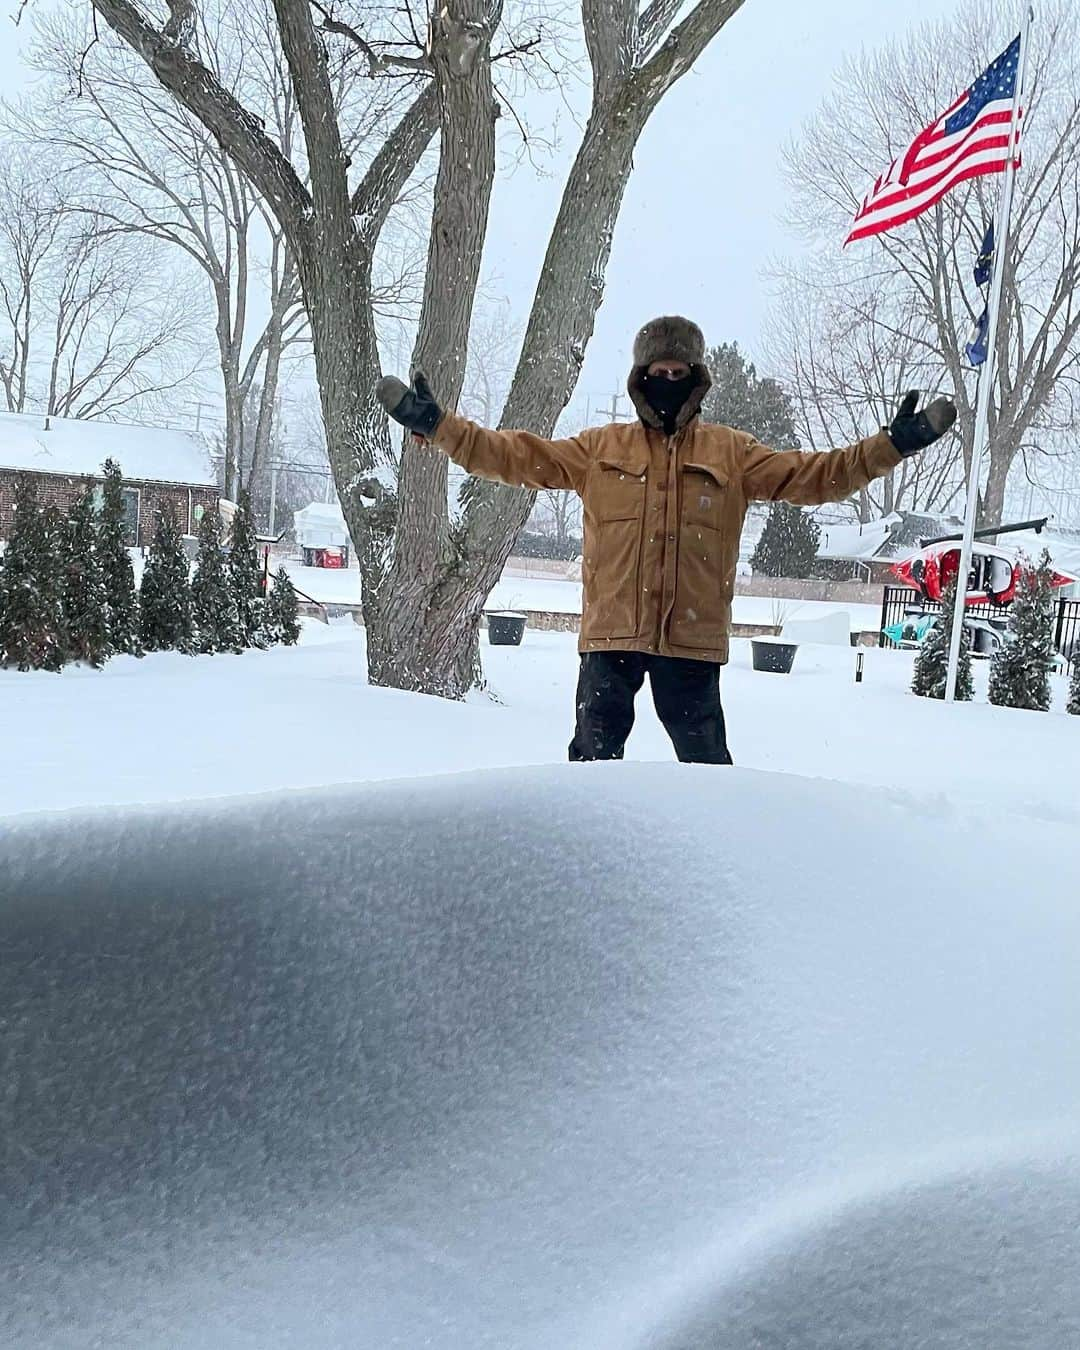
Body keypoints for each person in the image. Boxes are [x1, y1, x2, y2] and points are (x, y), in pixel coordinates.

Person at [376, 315, 956, 765]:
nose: (669, 381)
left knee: (706, 777)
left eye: (681, 373)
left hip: (692, 643)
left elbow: (817, 475)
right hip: (612, 638)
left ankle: (709, 883)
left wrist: (889, 447)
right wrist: (440, 427)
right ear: (639, 378)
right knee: (592, 768)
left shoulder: (732, 453)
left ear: (697, 380)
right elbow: (517, 456)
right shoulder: (600, 449)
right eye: (659, 371)